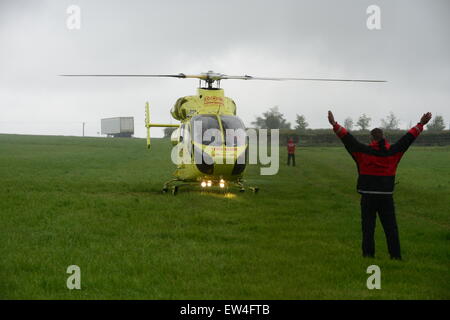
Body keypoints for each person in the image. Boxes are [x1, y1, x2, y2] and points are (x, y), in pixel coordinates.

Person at [327, 110, 432, 259]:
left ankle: (368, 255)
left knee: (368, 229)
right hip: (386, 198)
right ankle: (395, 257)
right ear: (384, 138)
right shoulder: (393, 152)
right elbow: (408, 139)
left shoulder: (362, 152)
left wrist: (334, 124)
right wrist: (421, 124)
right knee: (391, 229)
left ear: (371, 140)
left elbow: (347, 139)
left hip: (368, 197)